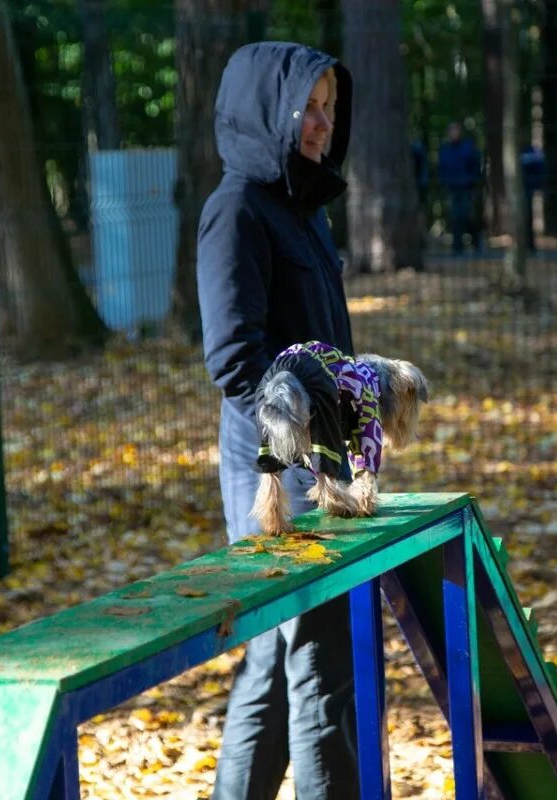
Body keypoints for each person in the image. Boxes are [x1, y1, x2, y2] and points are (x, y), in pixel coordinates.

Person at [195, 42, 359, 800]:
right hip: (274, 471)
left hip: (325, 462)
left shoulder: (303, 209)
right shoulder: (235, 210)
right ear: (273, 111)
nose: (323, 122)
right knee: (320, 661)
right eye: (310, 107)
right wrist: (314, 418)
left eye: (330, 106)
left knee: (275, 659)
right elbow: (236, 363)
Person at [437, 121, 483, 255]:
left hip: (467, 187)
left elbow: (475, 166)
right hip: (452, 187)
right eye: (452, 131)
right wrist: (444, 182)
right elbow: (442, 169)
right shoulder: (445, 150)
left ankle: (476, 241)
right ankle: (457, 248)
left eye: (456, 130)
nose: (454, 133)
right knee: (455, 217)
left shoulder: (468, 147)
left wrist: (473, 181)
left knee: (466, 216)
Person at [520, 144, 546, 252]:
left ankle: (528, 244)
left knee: (527, 216)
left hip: (526, 189)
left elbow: (540, 171)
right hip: (522, 188)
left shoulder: (532, 153)